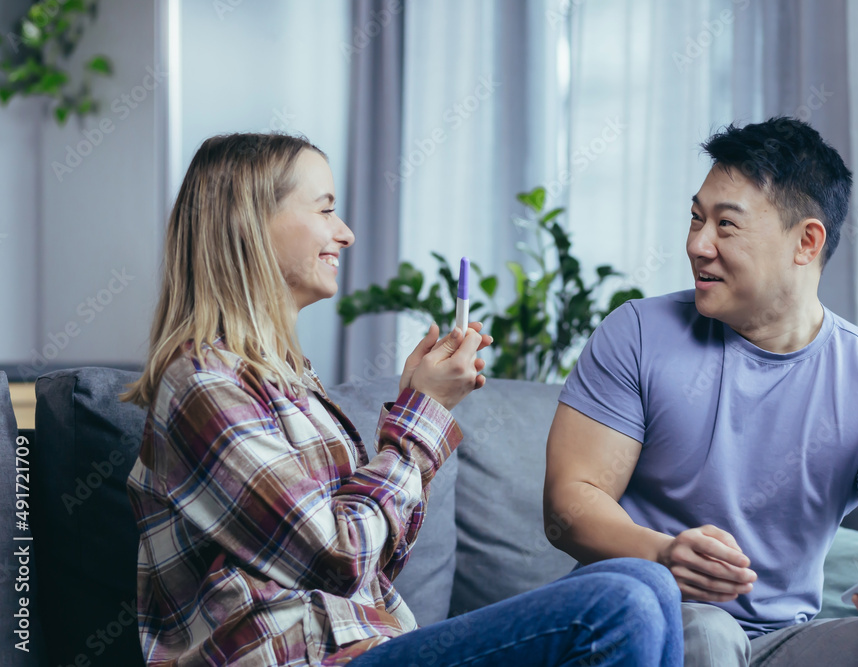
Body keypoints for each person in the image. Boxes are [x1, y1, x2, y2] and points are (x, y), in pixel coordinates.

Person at [123, 132, 684, 666]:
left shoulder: (292, 385)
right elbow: (339, 558)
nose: (344, 233)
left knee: (646, 580)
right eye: (324, 210)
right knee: (620, 605)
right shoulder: (201, 384)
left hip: (372, 648)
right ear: (252, 224)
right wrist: (423, 417)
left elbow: (374, 565)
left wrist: (411, 407)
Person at [543, 117, 858, 666]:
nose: (697, 244)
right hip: (651, 619)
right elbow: (568, 505)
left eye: (725, 225)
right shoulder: (637, 334)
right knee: (709, 634)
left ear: (806, 241)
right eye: (695, 218)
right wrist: (662, 553)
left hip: (785, 641)